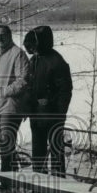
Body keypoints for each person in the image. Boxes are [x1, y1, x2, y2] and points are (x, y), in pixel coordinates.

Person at [25, 25, 73, 176]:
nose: (31, 50)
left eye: (33, 46)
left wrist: (56, 112)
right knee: (38, 153)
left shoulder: (57, 62)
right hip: (37, 115)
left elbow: (65, 91)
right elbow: (29, 85)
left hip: (52, 115)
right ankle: (39, 186)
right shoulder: (34, 60)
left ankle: (59, 186)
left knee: (56, 152)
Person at [0, 24, 30, 172]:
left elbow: (23, 80)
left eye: (2, 35)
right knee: (4, 145)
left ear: (9, 35)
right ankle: (10, 180)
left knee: (7, 143)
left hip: (11, 106)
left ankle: (8, 182)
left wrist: (5, 91)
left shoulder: (17, 53)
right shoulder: (0, 54)